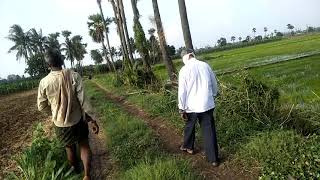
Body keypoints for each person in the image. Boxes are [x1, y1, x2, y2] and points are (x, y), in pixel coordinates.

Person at [37, 48, 99, 180]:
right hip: (78, 120)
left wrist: (54, 113)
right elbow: (84, 101)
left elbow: (41, 106)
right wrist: (92, 119)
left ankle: (76, 174)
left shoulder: (44, 82)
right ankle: (87, 175)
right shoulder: (74, 75)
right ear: (62, 61)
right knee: (84, 145)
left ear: (49, 65)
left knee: (69, 149)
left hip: (60, 124)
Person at [178, 48, 219, 167]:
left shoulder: (184, 70)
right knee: (209, 130)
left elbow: (182, 92)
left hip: (191, 106)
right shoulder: (205, 65)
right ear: (192, 55)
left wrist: (181, 107)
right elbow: (214, 82)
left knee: (190, 125)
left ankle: (188, 147)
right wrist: (214, 94)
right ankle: (214, 159)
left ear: (184, 57)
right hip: (207, 104)